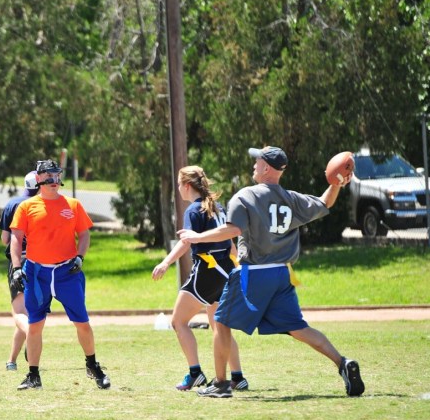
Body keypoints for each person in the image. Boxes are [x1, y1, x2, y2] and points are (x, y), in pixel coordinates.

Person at [178, 146, 364, 398]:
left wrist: (197, 236)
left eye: (258, 161)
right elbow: (324, 203)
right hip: (282, 275)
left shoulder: (245, 196)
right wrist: (337, 183)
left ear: (267, 168)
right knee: (298, 328)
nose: (254, 164)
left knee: (220, 322)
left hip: (254, 272)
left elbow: (231, 231)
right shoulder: (291, 198)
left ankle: (221, 384)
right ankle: (343, 363)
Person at [9, 159, 110, 390]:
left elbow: (84, 235)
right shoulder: (26, 207)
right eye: (49, 176)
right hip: (36, 273)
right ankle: (33, 376)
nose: (54, 180)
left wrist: (80, 257)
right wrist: (16, 268)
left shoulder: (73, 205)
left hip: (67, 272)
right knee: (35, 325)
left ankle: (92, 366)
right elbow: (15, 238)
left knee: (82, 322)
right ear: (39, 179)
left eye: (57, 176)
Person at [152, 165, 248, 391]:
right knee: (220, 327)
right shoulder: (218, 207)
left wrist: (165, 262)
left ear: (187, 186)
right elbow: (230, 241)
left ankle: (195, 373)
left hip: (207, 270)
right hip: (225, 269)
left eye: (178, 184)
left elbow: (187, 241)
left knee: (178, 321)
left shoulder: (193, 210)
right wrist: (239, 264)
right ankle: (237, 377)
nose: (178, 189)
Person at [0, 171, 40, 371]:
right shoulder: (44, 205)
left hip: (18, 260)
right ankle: (11, 361)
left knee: (19, 313)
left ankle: (33, 333)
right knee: (30, 312)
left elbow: (5, 240)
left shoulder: (13, 204)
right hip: (41, 262)